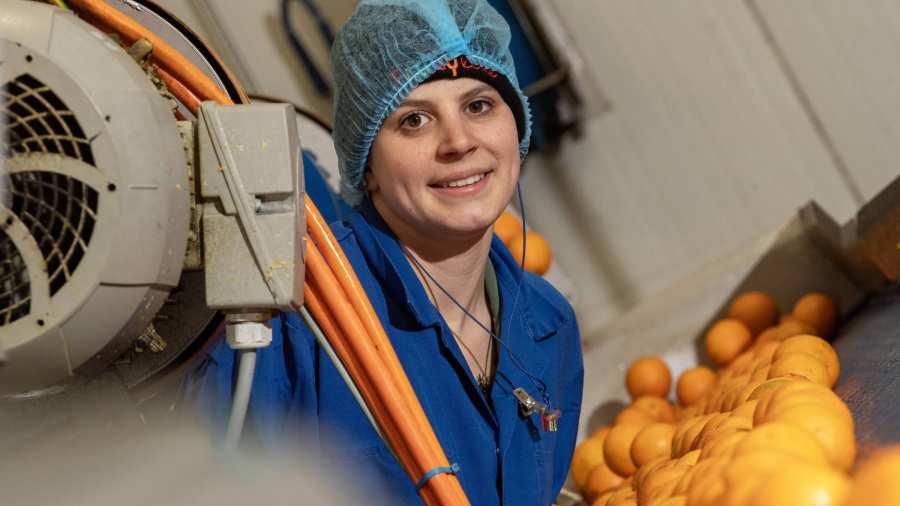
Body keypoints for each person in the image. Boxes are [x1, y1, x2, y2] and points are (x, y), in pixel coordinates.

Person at [183, 0, 583, 504]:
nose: (458, 141)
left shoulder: (549, 326)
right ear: (365, 162)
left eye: (479, 106)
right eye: (415, 119)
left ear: (516, 127)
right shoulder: (290, 328)